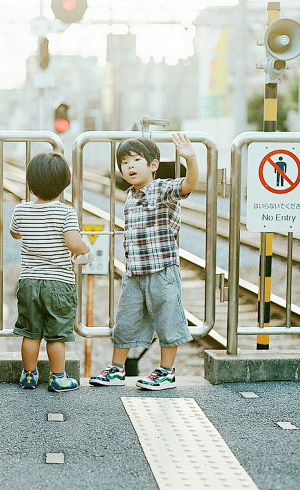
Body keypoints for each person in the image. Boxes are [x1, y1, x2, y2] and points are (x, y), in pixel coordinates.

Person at [90, 133, 199, 390]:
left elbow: (188, 185)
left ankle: (166, 372)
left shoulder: (162, 189)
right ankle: (116, 369)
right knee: (125, 321)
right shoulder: (130, 196)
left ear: (153, 165)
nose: (130, 166)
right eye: (124, 163)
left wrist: (191, 158)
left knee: (167, 321)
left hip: (162, 270)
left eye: (136, 160)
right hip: (135, 273)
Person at [10, 151, 90, 392]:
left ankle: (29, 375)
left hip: (29, 282)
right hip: (59, 284)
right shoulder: (65, 212)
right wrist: (85, 247)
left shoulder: (21, 210)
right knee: (57, 336)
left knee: (30, 332)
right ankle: (58, 378)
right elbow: (74, 244)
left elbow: (15, 233)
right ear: (64, 183)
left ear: (30, 183)